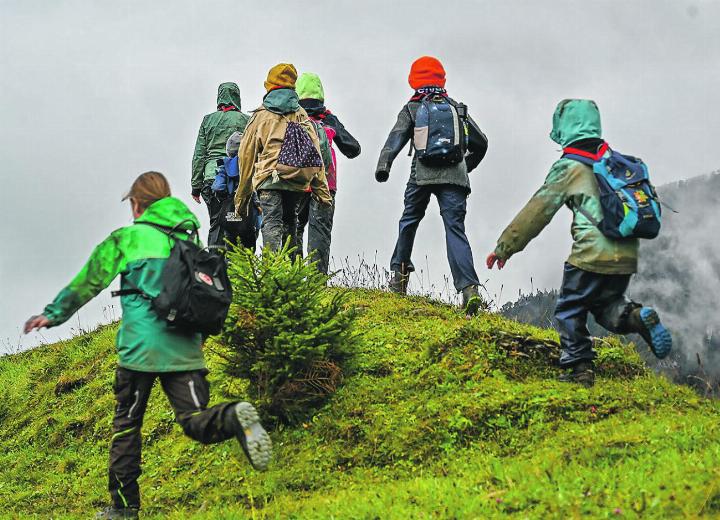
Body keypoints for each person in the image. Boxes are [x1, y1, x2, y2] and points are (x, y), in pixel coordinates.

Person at [24, 172, 272, 519]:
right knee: (194, 419)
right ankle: (232, 417)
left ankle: (124, 510)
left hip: (139, 351)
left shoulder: (129, 237)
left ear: (138, 204)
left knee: (126, 427)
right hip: (185, 348)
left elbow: (90, 281)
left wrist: (52, 315)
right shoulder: (190, 237)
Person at [487, 99, 672, 387]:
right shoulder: (615, 162)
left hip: (590, 255)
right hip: (625, 253)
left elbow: (537, 211)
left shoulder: (568, 167)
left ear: (564, 130)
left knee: (569, 309)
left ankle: (579, 369)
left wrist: (505, 247)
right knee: (606, 306)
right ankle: (637, 317)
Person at [374, 56, 488, 314]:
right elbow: (481, 143)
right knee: (455, 229)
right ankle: (469, 289)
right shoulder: (457, 109)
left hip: (422, 176)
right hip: (455, 179)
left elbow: (396, 138)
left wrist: (384, 165)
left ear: (414, 81)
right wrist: (464, 167)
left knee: (409, 220)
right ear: (442, 79)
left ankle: (399, 279)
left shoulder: (413, 108)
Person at [235, 64, 332, 253]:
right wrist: (322, 192)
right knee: (291, 225)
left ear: (269, 86)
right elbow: (316, 154)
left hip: (269, 179)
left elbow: (246, 158)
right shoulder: (300, 114)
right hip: (296, 180)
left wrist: (242, 199)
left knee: (271, 225)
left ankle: (271, 273)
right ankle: (293, 274)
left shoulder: (260, 116)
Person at [295, 72, 361, 274]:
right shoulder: (328, 118)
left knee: (293, 229)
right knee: (320, 231)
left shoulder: (292, 116)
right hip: (325, 183)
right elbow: (353, 149)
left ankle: (291, 278)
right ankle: (317, 282)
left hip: (297, 182)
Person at [191, 82, 250, 248]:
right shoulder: (246, 120)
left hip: (212, 180)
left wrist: (196, 186)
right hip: (238, 180)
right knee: (238, 223)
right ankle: (238, 267)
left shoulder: (208, 120)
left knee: (216, 223)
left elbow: (199, 155)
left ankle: (216, 268)